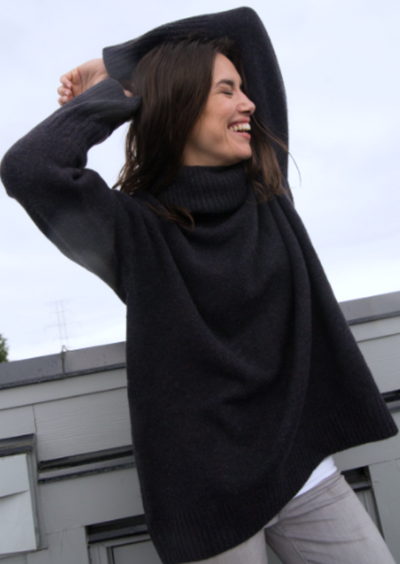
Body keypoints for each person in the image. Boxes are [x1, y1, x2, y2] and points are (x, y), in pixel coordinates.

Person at [1, 7, 398, 564]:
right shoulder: (133, 233)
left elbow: (245, 26)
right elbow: (29, 168)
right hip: (210, 505)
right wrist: (127, 88)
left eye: (243, 89)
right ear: (181, 105)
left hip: (303, 471)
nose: (249, 103)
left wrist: (118, 61)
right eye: (227, 91)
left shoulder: (266, 184)